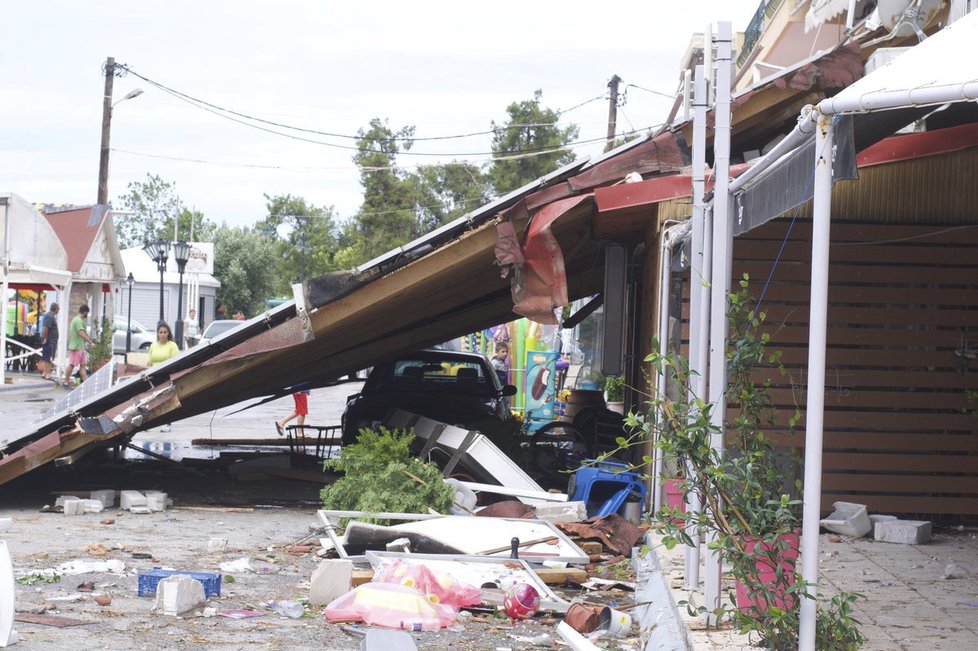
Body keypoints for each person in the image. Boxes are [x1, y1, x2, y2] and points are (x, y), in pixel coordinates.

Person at [148, 322, 180, 432]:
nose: (162, 334)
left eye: (165, 332)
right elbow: (149, 362)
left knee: (166, 400)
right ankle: (149, 423)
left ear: (168, 333)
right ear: (157, 334)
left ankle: (167, 423)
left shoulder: (172, 345)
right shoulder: (153, 345)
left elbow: (176, 362)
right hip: (153, 376)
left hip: (166, 376)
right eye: (160, 332)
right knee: (152, 401)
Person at [63, 304, 94, 386]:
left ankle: (86, 384)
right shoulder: (78, 321)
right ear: (85, 312)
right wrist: (90, 342)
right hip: (76, 347)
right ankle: (65, 382)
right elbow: (81, 332)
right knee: (72, 364)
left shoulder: (78, 320)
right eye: (87, 313)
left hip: (80, 347)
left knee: (83, 366)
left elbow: (82, 333)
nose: (87, 315)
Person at [38, 302, 60, 380]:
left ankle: (45, 372)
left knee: (47, 357)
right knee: (49, 357)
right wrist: (45, 338)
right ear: (56, 309)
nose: (59, 310)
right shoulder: (50, 316)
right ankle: (47, 373)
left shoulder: (50, 316)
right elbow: (46, 328)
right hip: (51, 340)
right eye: (58, 308)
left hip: (51, 340)